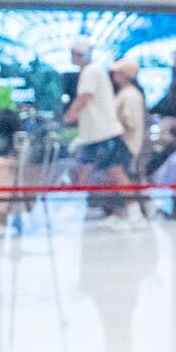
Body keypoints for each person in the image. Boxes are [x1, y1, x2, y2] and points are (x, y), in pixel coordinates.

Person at [60, 42, 135, 226]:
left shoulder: (91, 72)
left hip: (104, 134)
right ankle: (86, 211)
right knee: (84, 172)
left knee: (116, 174)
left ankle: (135, 214)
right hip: (93, 135)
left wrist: (68, 117)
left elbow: (83, 98)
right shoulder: (92, 72)